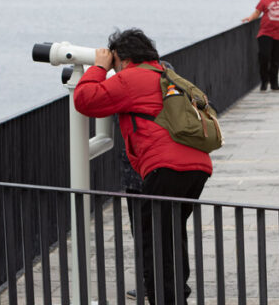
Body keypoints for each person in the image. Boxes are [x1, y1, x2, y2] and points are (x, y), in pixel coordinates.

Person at [73, 28, 212, 305]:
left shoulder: (131, 78)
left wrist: (99, 68)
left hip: (165, 168)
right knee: (170, 232)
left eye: (115, 61)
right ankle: (175, 295)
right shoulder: (167, 74)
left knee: (152, 241)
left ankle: (162, 297)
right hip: (198, 166)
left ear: (122, 58)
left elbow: (85, 100)